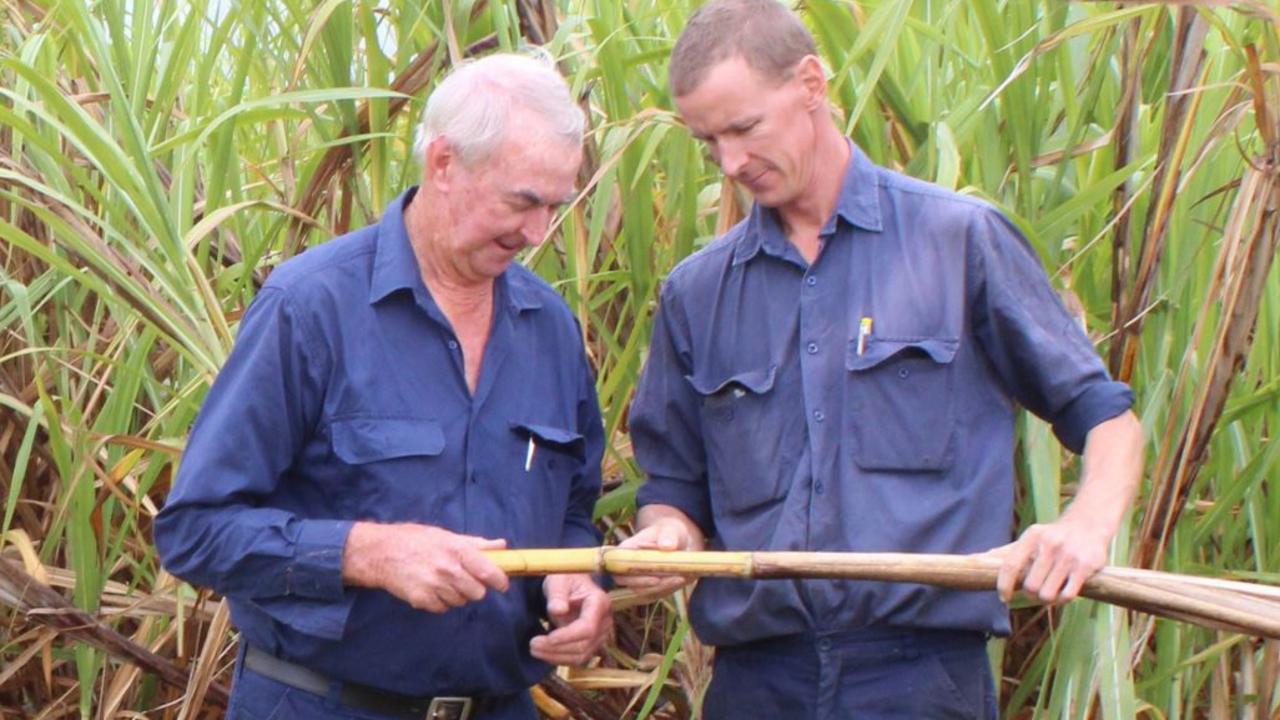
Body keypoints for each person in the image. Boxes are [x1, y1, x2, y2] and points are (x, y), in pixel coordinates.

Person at [619, 1, 1144, 717]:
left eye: (744, 129)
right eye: (708, 142)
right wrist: (667, 536)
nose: (731, 163)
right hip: (755, 682)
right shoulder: (697, 292)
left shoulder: (959, 241)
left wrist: (1085, 526)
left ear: (811, 84)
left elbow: (1106, 420)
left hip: (922, 679)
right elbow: (675, 485)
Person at [155, 53, 611, 720]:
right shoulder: (309, 308)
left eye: (556, 205)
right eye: (523, 201)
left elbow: (574, 509)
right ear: (445, 164)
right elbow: (194, 530)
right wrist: (366, 552)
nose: (539, 233)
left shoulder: (551, 329)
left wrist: (579, 580)